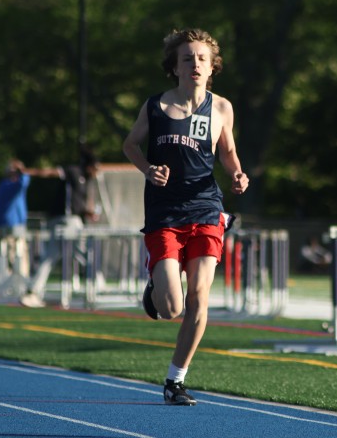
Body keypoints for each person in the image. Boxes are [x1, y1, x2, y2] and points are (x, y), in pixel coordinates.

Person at [122, 28, 248, 406]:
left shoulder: (221, 108)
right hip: (164, 213)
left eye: (202, 59)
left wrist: (238, 174)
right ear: (174, 67)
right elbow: (130, 144)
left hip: (206, 208)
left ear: (212, 67)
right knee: (171, 308)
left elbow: (228, 153)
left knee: (198, 298)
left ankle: (175, 381)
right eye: (187, 58)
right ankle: (157, 287)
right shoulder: (155, 106)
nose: (195, 64)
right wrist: (148, 169)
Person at [20, 146, 100, 307]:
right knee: (82, 251)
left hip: (70, 219)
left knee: (51, 256)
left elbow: (80, 204)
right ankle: (96, 281)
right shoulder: (73, 172)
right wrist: (28, 171)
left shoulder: (87, 180)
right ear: (88, 165)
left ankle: (33, 290)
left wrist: (88, 213)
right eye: (95, 168)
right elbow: (50, 173)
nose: (96, 172)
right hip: (65, 220)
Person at [0, 159, 31, 297]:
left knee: (17, 257)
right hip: (5, 227)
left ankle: (20, 285)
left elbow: (24, 182)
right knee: (5, 257)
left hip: (15, 226)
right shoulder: (5, 185)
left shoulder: (14, 185)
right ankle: (8, 285)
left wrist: (22, 171)